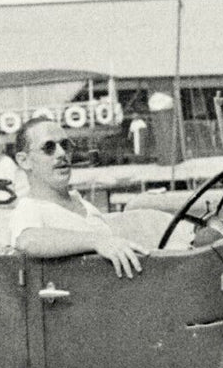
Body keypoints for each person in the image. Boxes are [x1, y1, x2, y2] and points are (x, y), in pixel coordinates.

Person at [8, 118, 150, 278]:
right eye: (48, 148)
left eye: (65, 145)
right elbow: (28, 240)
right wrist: (97, 241)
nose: (61, 153)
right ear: (24, 161)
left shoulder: (83, 204)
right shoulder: (30, 207)